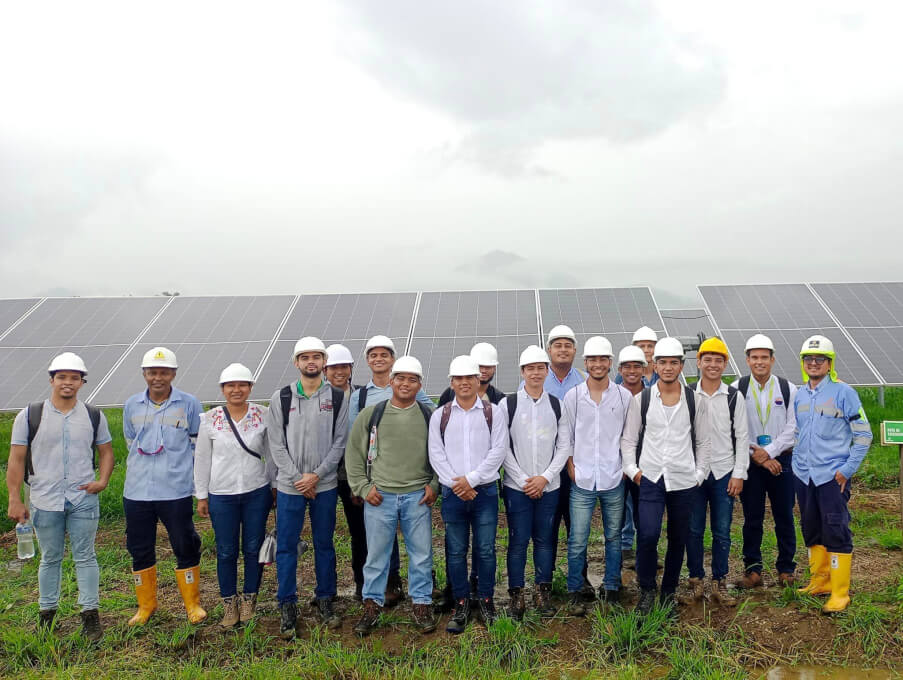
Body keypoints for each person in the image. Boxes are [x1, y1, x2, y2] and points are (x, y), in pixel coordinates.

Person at [5, 353, 114, 640]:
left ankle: (90, 615)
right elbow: (16, 459)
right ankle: (47, 615)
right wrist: (14, 498)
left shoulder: (93, 415)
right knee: (50, 557)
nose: (68, 383)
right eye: (62, 377)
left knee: (86, 556)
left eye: (74, 378)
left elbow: (106, 452)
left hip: (82, 498)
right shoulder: (29, 415)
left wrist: (102, 481)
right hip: (44, 498)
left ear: (81, 382)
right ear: (52, 380)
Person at [346, 356, 439, 636]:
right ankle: (372, 604)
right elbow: (354, 455)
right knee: (376, 556)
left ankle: (421, 603)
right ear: (391, 381)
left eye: (412, 379)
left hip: (417, 497)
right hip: (380, 497)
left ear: (420, 384)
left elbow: (441, 454)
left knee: (421, 555)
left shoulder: (428, 415)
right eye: (400, 378)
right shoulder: (371, 414)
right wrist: (363, 487)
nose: (405, 384)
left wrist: (435, 485)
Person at [620, 338, 710, 616]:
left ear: (682, 366)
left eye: (674, 362)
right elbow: (628, 440)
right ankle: (647, 590)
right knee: (647, 534)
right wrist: (634, 472)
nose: (668, 368)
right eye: (663, 362)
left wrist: (699, 475)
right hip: (651, 478)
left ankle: (668, 592)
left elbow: (703, 443)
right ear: (654, 366)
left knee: (678, 538)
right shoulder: (642, 400)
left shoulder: (696, 400)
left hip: (684, 480)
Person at [266, 337, 349, 637]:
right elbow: (276, 444)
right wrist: (297, 478)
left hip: (324, 484)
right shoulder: (282, 397)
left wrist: (315, 475)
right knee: (287, 547)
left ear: (324, 362)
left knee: (324, 544)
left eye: (317, 357)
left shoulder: (338, 398)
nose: (311, 362)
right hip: (290, 486)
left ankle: (325, 598)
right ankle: (287, 604)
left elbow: (340, 442)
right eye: (305, 357)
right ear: (296, 362)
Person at [122, 347, 206, 626]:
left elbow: (197, 445)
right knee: (139, 547)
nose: (158, 377)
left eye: (164, 372)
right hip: (137, 491)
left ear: (173, 374)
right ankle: (146, 606)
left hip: (176, 490)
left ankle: (192, 604)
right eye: (152, 372)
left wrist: (196, 486)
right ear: (144, 374)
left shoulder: (190, 403)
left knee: (184, 543)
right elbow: (129, 442)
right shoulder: (131, 405)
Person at [794, 335, 871, 614]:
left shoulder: (844, 392)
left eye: (819, 359)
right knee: (811, 527)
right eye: (808, 359)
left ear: (829, 364)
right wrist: (796, 463)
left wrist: (847, 469)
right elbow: (799, 432)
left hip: (831, 476)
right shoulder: (800, 394)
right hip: (804, 475)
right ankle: (820, 581)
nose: (813, 363)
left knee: (836, 529)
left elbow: (864, 434)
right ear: (803, 363)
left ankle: (840, 593)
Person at [429, 355, 506, 633]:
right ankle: (461, 602)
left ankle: (485, 599)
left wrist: (470, 480)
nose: (464, 383)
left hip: (483, 492)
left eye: (469, 378)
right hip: (453, 494)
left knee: (485, 549)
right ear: (451, 382)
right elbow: (435, 453)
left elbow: (498, 451)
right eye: (458, 379)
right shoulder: (441, 415)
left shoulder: (493, 412)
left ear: (478, 380)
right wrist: (456, 483)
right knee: (456, 551)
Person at [194, 363, 274, 627]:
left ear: (250, 388)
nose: (236, 390)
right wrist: (201, 495)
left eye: (242, 385)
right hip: (222, 494)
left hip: (256, 491)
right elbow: (202, 459)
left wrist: (274, 486)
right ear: (222, 389)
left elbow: (272, 454)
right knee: (226, 551)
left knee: (253, 548)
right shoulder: (209, 419)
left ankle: (250, 599)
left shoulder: (263, 415)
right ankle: (230, 604)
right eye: (231, 385)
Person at [560, 337, 632, 615]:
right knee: (578, 538)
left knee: (613, 536)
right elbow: (566, 433)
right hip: (582, 477)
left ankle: (612, 587)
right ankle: (576, 590)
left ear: (610, 363)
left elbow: (628, 435)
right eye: (593, 360)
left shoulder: (623, 397)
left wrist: (625, 467)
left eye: (603, 359)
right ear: (586, 363)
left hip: (613, 476)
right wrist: (569, 464)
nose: (598, 364)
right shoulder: (573, 396)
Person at [501, 346, 569, 619]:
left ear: (547, 370)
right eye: (530, 368)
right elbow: (502, 447)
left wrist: (545, 478)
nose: (536, 373)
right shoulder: (508, 404)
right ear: (522, 372)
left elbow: (563, 447)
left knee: (544, 541)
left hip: (549, 487)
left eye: (541, 367)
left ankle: (543, 590)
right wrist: (523, 480)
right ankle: (516, 594)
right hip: (517, 488)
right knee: (518, 541)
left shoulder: (556, 404)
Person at [683, 337, 748, 606]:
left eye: (718, 360)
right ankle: (696, 582)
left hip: (723, 472)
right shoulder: (687, 393)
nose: (712, 365)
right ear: (698, 362)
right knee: (694, 529)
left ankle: (720, 583)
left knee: (722, 531)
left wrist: (739, 473)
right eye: (707, 360)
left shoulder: (734, 396)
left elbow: (742, 436)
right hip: (694, 475)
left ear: (725, 364)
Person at [732, 334, 798, 590]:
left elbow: (793, 427)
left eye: (764, 357)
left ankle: (786, 568)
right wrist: (757, 456)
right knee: (752, 518)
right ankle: (753, 570)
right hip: (751, 463)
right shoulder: (737, 388)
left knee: (784, 515)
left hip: (782, 461)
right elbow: (736, 428)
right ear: (747, 360)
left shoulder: (787, 388)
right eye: (754, 357)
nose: (760, 362)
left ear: (772, 359)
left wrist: (769, 452)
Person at [540, 324, 594, 600]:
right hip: (547, 470)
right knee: (547, 531)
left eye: (568, 345)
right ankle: (545, 584)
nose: (562, 349)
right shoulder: (536, 379)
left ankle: (580, 579)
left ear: (575, 350)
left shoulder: (584, 380)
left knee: (578, 528)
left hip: (576, 469)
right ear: (549, 350)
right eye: (557, 345)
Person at [324, 343, 368, 601]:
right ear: (325, 370)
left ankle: (362, 584)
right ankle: (326, 591)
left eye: (343, 366)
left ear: (351, 368)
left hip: (356, 477)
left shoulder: (363, 395)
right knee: (324, 535)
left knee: (360, 533)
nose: (339, 372)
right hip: (327, 476)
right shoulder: (318, 398)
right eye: (333, 367)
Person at [616, 345, 648, 570]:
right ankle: (620, 557)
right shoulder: (612, 395)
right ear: (619, 369)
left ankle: (646, 556)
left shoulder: (653, 395)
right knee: (617, 514)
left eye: (637, 366)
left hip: (645, 465)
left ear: (644, 369)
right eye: (627, 366)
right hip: (617, 465)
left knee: (644, 513)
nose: (632, 371)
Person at [438, 342, 506, 406]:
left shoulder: (499, 398)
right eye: (480, 366)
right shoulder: (450, 394)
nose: (483, 370)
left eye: (488, 367)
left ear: (494, 368)